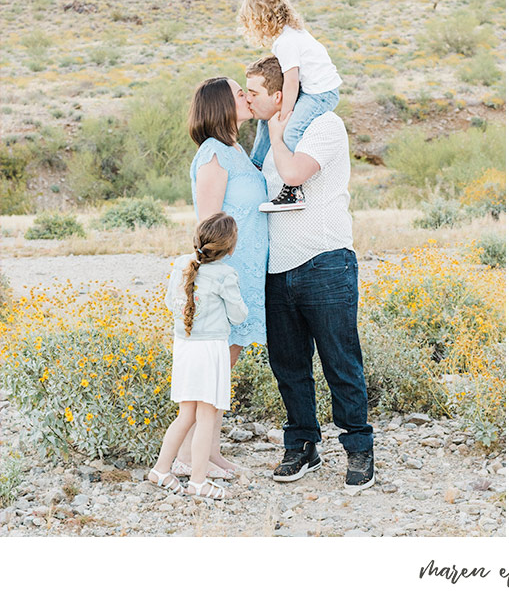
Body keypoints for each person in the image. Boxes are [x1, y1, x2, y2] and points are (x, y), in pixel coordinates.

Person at [244, 54, 374, 492]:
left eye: (255, 92)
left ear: (280, 96)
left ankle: (358, 448)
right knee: (289, 365)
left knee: (340, 362)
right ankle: (302, 444)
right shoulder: (264, 138)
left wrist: (279, 134)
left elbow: (296, 172)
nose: (248, 98)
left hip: (325, 259)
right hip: (276, 266)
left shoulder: (324, 126)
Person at [174, 76, 269, 479]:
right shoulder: (214, 153)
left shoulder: (237, 151)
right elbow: (209, 225)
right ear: (220, 105)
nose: (246, 97)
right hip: (226, 278)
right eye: (238, 92)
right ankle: (187, 458)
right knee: (215, 369)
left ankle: (208, 452)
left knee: (224, 368)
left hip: (246, 275)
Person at [148, 213, 248, 501]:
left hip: (184, 346)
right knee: (206, 417)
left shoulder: (182, 264)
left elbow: (171, 303)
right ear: (230, 248)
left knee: (186, 414)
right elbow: (238, 316)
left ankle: (161, 469)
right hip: (209, 351)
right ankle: (198, 481)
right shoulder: (226, 274)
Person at [236, 0, 343, 212]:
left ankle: (293, 191)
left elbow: (292, 80)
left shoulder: (286, 42)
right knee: (270, 119)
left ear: (260, 20)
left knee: (291, 129)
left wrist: (285, 115)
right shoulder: (291, 34)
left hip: (321, 94)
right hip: (313, 88)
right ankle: (255, 166)